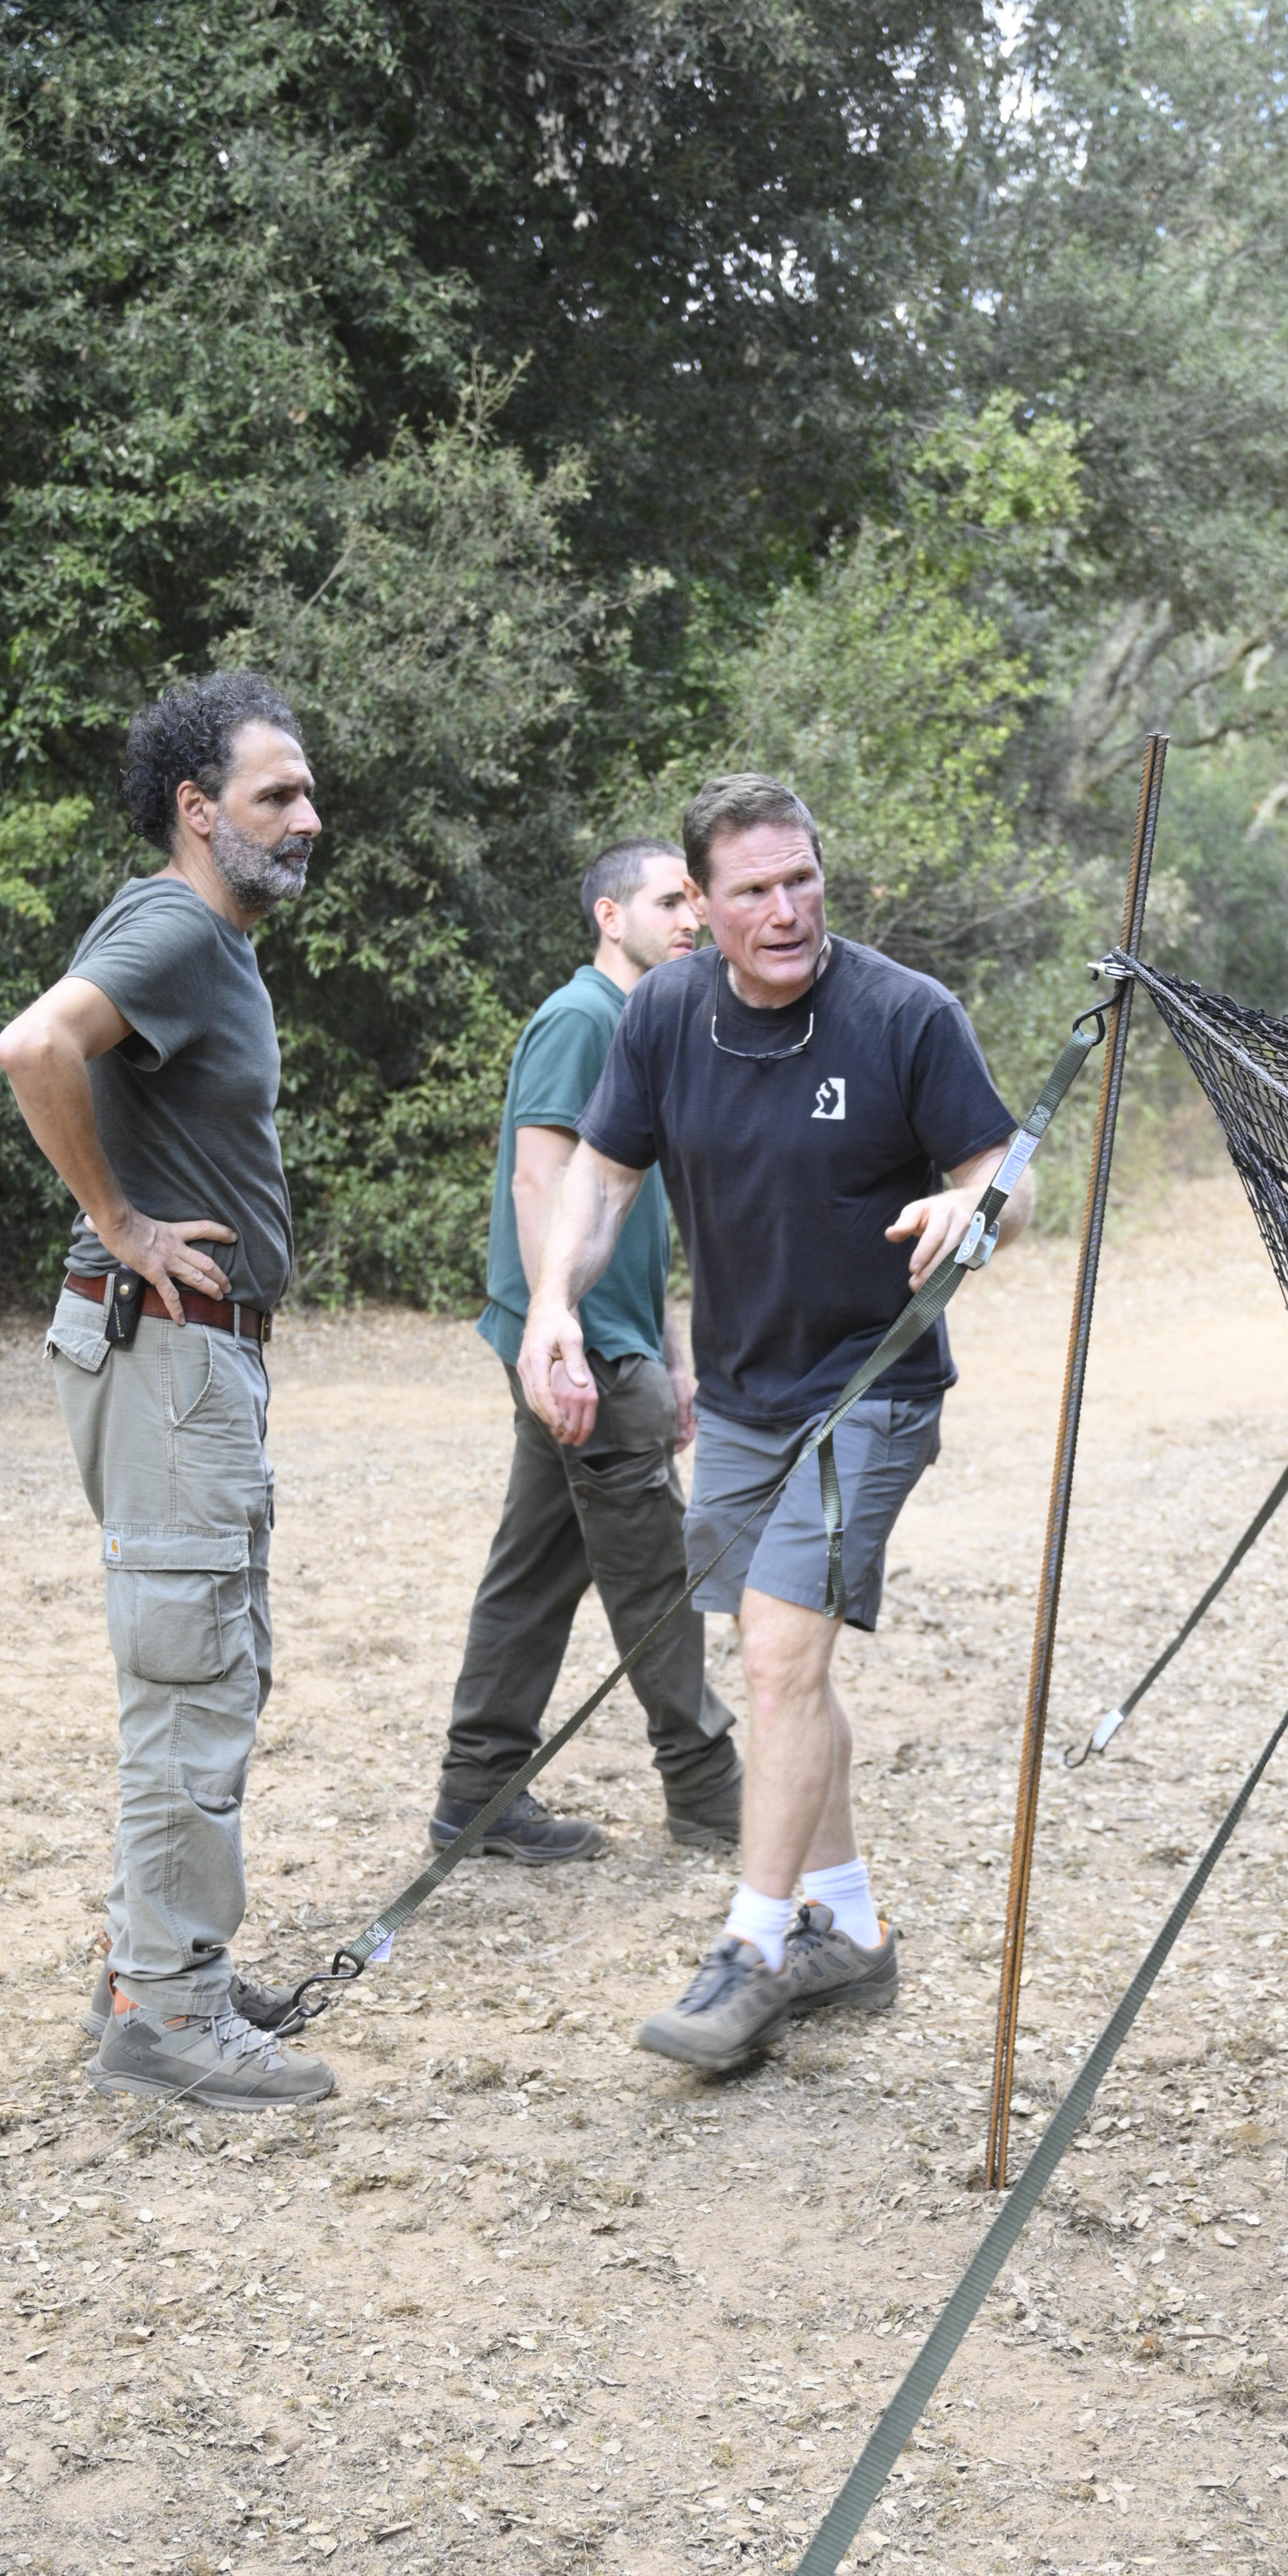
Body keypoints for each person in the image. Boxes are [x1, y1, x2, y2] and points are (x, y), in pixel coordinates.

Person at [515, 772, 1028, 2076]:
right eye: (753, 890)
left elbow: (1004, 1174)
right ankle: (847, 1930)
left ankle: (750, 1949)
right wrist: (553, 1305)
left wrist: (971, 1209)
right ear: (700, 903)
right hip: (743, 1395)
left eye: (802, 879)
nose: (787, 910)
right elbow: (601, 1178)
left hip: (871, 1388)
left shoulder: (905, 1014)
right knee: (782, 1665)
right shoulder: (666, 1012)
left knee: (776, 1661)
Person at [0, 671, 336, 2113]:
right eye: (276, 795)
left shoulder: (205, 941)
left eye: (308, 794)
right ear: (198, 809)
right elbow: (34, 1046)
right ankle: (171, 2017)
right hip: (167, 1351)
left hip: (188, 1359)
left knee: (206, 1666)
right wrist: (122, 1223)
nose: (307, 819)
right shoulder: (179, 928)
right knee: (192, 1681)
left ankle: (151, 1966)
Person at [430, 842, 741, 1859]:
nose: (691, 919)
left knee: (535, 1569)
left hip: (617, 1337)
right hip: (584, 1348)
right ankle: (710, 1795)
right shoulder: (582, 1019)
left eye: (695, 902)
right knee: (658, 1571)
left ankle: (477, 1795)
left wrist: (675, 1354)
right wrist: (556, 1336)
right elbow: (539, 1180)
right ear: (611, 916)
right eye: (668, 901)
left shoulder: (649, 1026)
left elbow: (645, 1217)